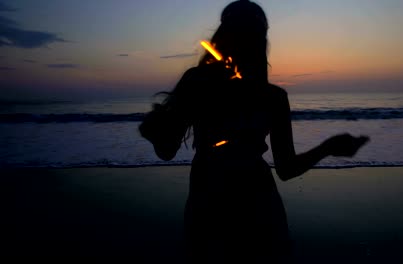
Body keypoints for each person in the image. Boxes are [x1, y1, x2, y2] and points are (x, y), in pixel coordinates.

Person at [139, 0, 369, 262]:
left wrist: (154, 133)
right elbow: (286, 169)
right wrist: (328, 147)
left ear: (221, 36)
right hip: (257, 201)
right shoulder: (271, 96)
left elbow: (166, 151)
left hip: (209, 197)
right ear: (263, 42)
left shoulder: (197, 82)